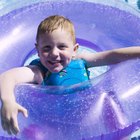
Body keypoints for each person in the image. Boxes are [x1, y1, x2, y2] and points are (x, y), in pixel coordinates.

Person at [0, 15, 140, 136]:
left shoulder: (81, 61)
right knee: (33, 132)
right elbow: (8, 77)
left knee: (110, 98)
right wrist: (8, 101)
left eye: (62, 47)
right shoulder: (39, 71)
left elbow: (112, 55)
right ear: (37, 50)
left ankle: (121, 136)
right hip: (56, 125)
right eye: (46, 48)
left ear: (74, 49)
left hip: (90, 116)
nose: (54, 53)